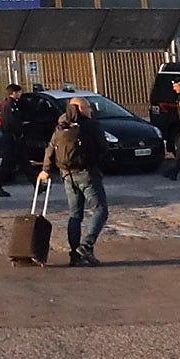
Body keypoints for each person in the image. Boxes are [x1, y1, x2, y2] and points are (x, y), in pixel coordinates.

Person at [38, 95, 108, 266]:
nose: (91, 111)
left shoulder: (61, 124)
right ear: (82, 108)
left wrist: (45, 170)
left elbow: (51, 147)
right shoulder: (90, 125)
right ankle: (86, 245)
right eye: (89, 108)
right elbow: (103, 147)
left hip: (67, 174)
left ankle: (74, 256)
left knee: (75, 214)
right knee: (100, 210)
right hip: (87, 173)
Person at [0, 83, 25, 198]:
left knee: (23, 161)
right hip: (11, 137)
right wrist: (18, 133)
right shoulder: (9, 105)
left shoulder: (14, 104)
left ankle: (36, 185)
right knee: (7, 163)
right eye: (19, 92)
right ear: (14, 92)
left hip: (14, 137)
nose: (20, 94)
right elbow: (10, 122)